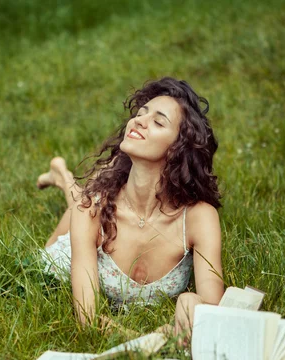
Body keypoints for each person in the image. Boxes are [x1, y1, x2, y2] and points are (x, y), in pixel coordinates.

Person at [36, 77, 224, 338]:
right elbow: (87, 320)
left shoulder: (199, 217)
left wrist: (193, 304)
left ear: (177, 150)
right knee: (84, 203)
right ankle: (63, 178)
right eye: (140, 113)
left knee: (92, 195)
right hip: (76, 242)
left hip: (108, 202)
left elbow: (213, 307)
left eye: (158, 122)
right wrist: (156, 340)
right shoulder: (91, 210)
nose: (138, 121)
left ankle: (62, 176)